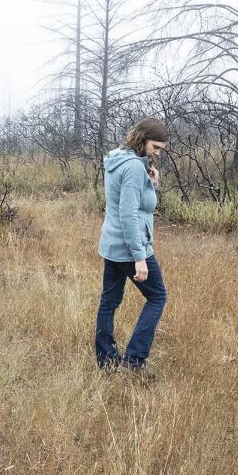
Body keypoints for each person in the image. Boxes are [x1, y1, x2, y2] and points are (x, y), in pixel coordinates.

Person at [95, 118, 169, 376]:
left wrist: (153, 183)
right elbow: (129, 214)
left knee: (109, 301)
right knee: (158, 296)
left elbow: (131, 202)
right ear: (142, 139)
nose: (157, 153)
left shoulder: (117, 159)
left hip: (112, 244)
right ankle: (134, 361)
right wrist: (139, 257)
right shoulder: (134, 168)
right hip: (131, 246)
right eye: (155, 147)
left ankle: (106, 360)